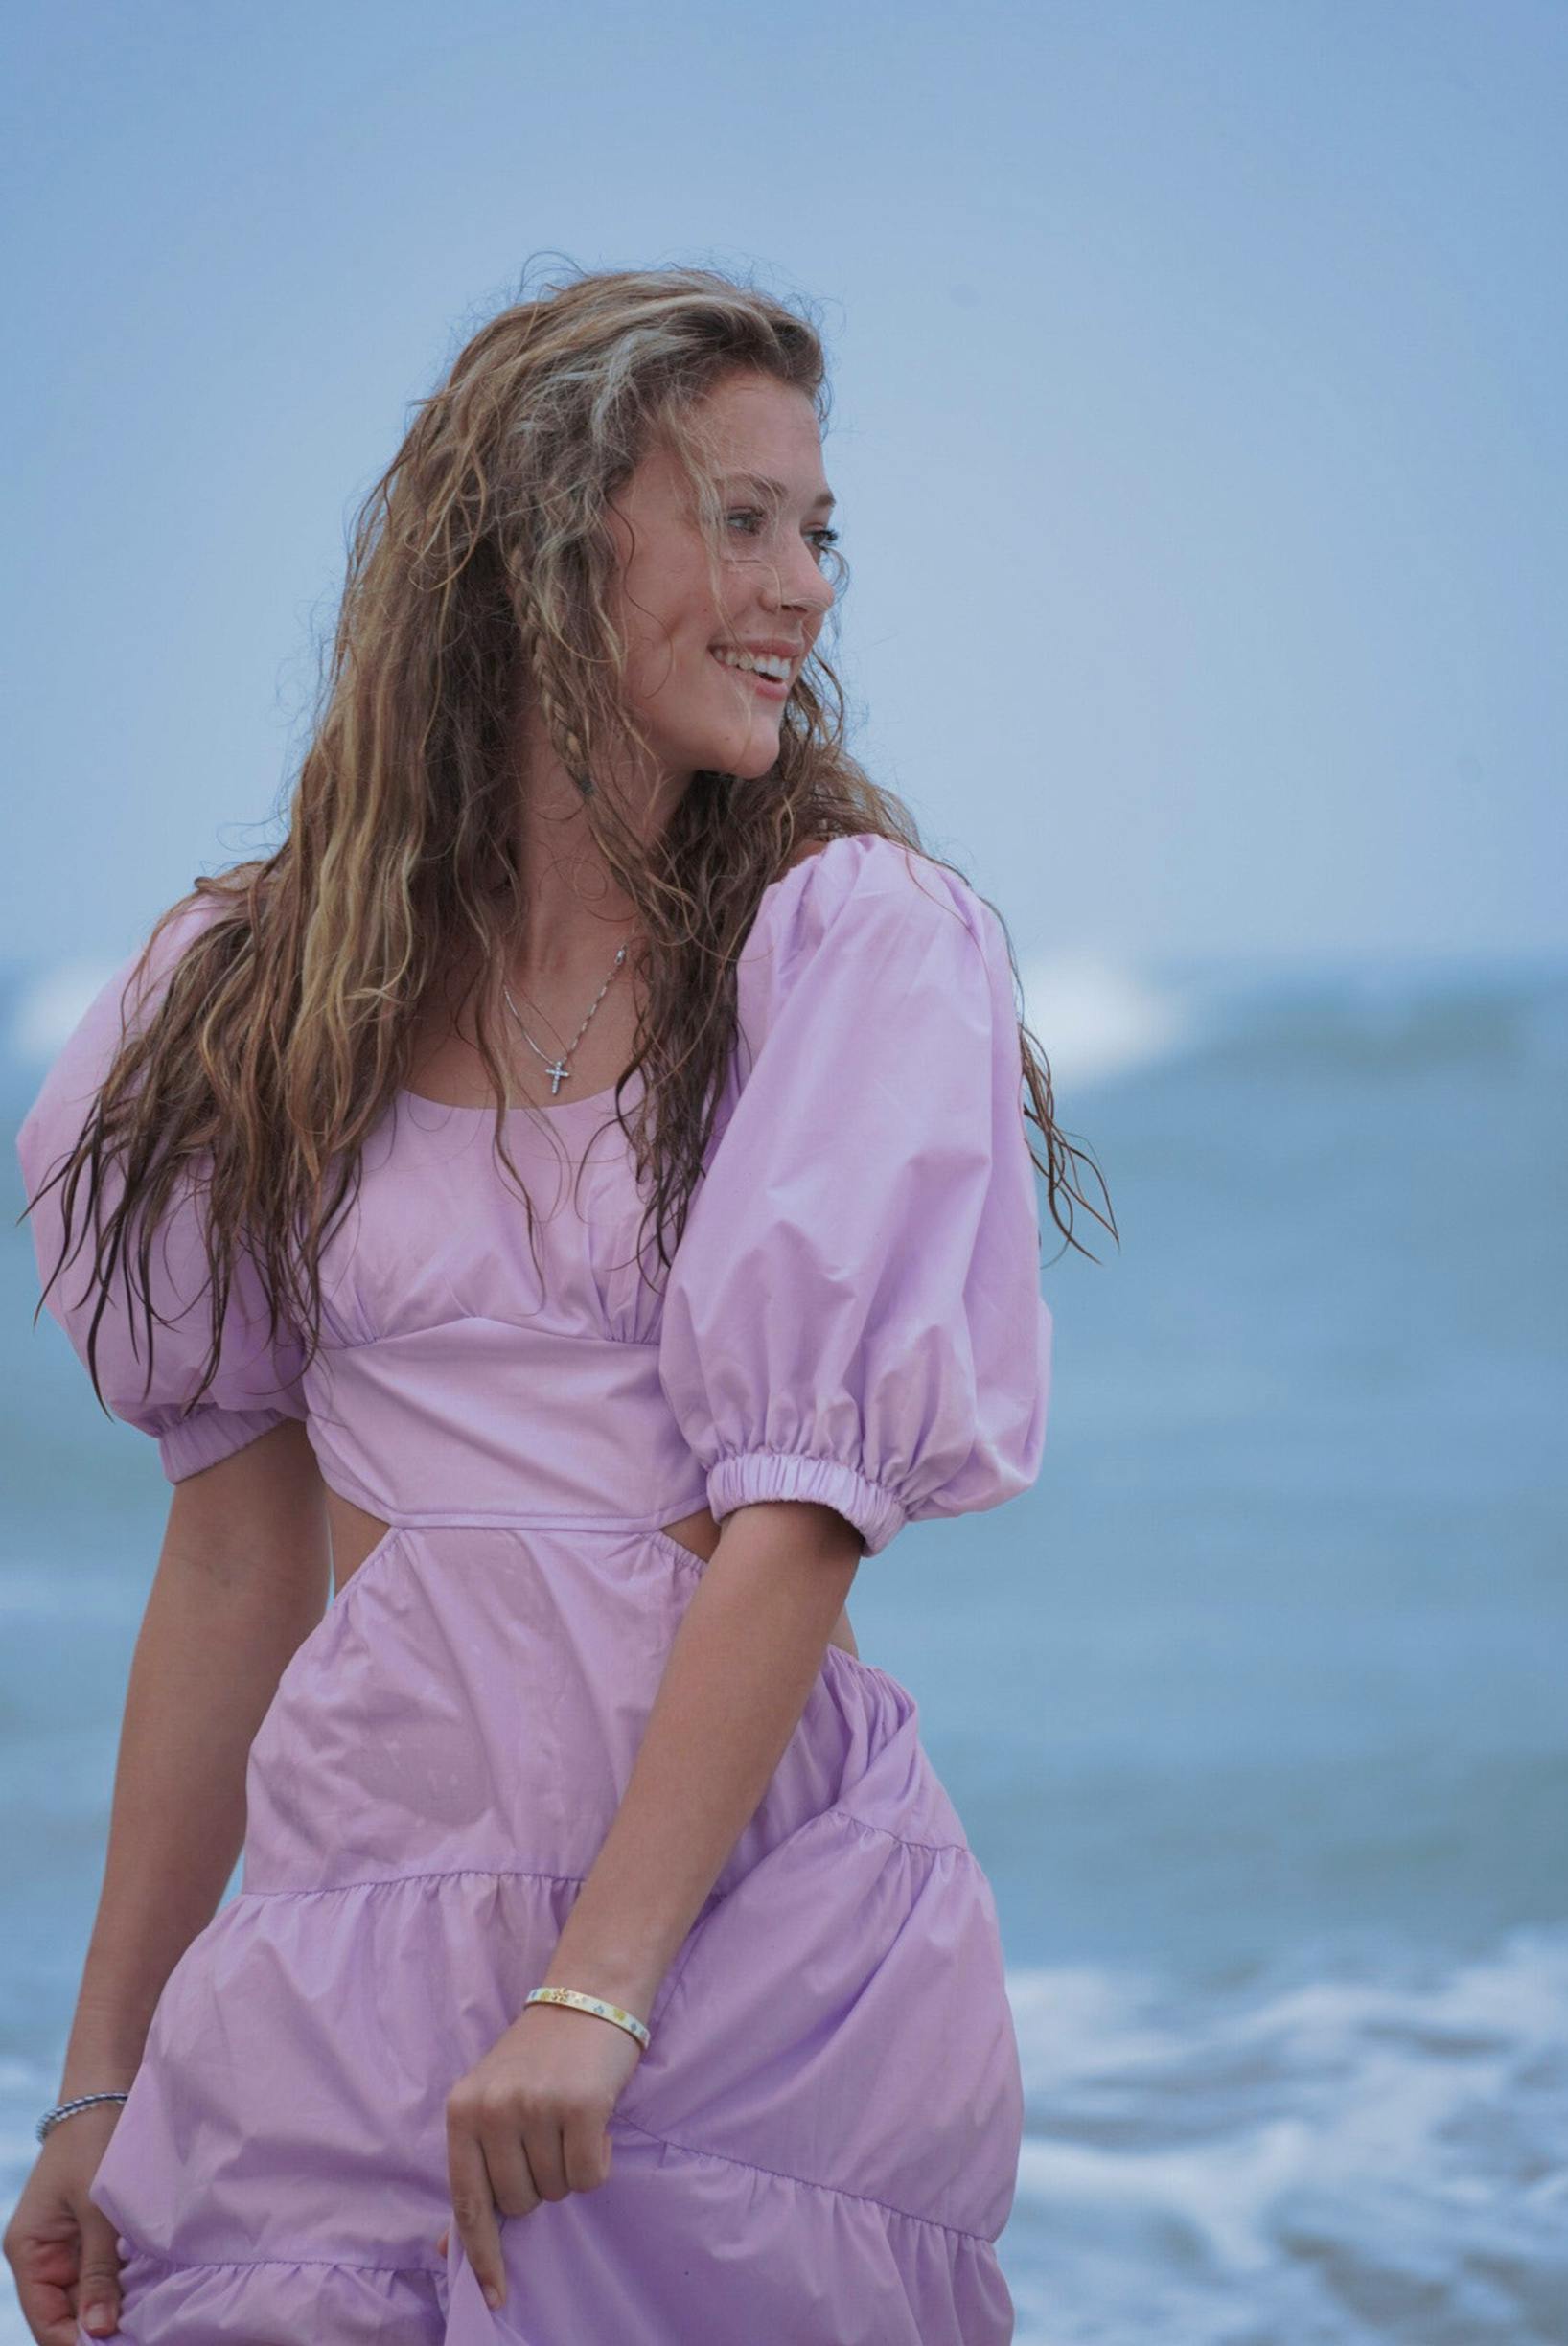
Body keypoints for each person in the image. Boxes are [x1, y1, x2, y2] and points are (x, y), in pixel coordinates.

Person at [7, 262, 1110, 2346]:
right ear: (538, 538)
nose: (798, 590)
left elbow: (789, 1521)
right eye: (738, 518)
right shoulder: (248, 1000)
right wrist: (103, 2069)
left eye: (817, 533)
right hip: (344, 1932)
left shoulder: (844, 948)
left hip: (746, 1943)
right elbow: (238, 1562)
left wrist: (590, 1991)